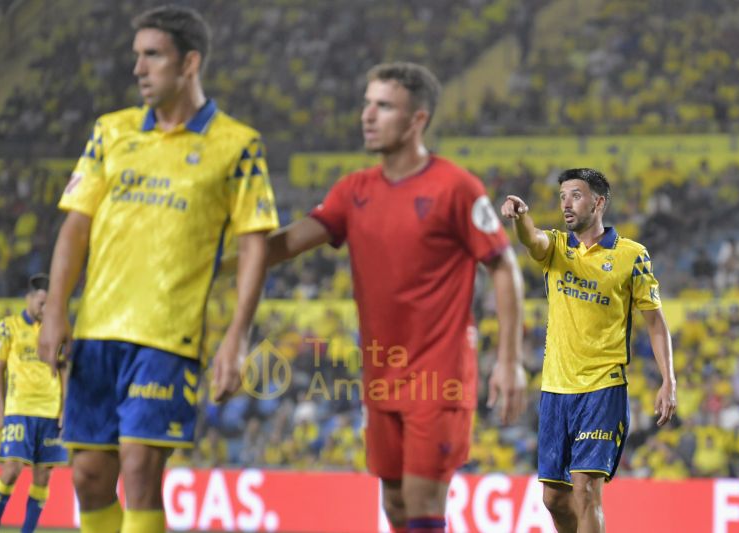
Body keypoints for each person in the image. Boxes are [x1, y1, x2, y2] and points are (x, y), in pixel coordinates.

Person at [37, 6, 278, 533]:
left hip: (168, 335)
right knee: (87, 475)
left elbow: (254, 244)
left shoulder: (237, 144)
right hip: (98, 329)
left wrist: (237, 337)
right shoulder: (111, 132)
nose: (138, 69)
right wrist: (56, 309)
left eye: (153, 55)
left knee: (141, 467)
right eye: (136, 56)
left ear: (189, 62)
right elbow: (75, 226)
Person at [267, 62, 527, 533]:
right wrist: (212, 259)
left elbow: (505, 268)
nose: (367, 115)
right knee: (396, 503)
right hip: (381, 373)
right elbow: (283, 244)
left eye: (383, 106)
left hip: (440, 373)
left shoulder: (456, 187)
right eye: (367, 103)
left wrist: (508, 361)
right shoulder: (353, 190)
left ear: (416, 121)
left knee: (424, 496)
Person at [500, 168, 677, 533]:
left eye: (575, 195)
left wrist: (668, 380)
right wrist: (521, 218)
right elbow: (532, 241)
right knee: (553, 498)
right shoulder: (557, 248)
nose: (566, 202)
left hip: (603, 387)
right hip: (555, 388)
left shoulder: (632, 255)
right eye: (562, 195)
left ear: (598, 202)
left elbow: (655, 322)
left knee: (586, 491)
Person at [0, 274, 67, 533]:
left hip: (50, 412)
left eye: (49, 303)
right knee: (11, 469)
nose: (45, 308)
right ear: (29, 298)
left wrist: (65, 409)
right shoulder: (7, 326)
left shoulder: (56, 329)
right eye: (41, 303)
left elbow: (65, 371)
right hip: (19, 409)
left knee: (43, 477)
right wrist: (0, 410)